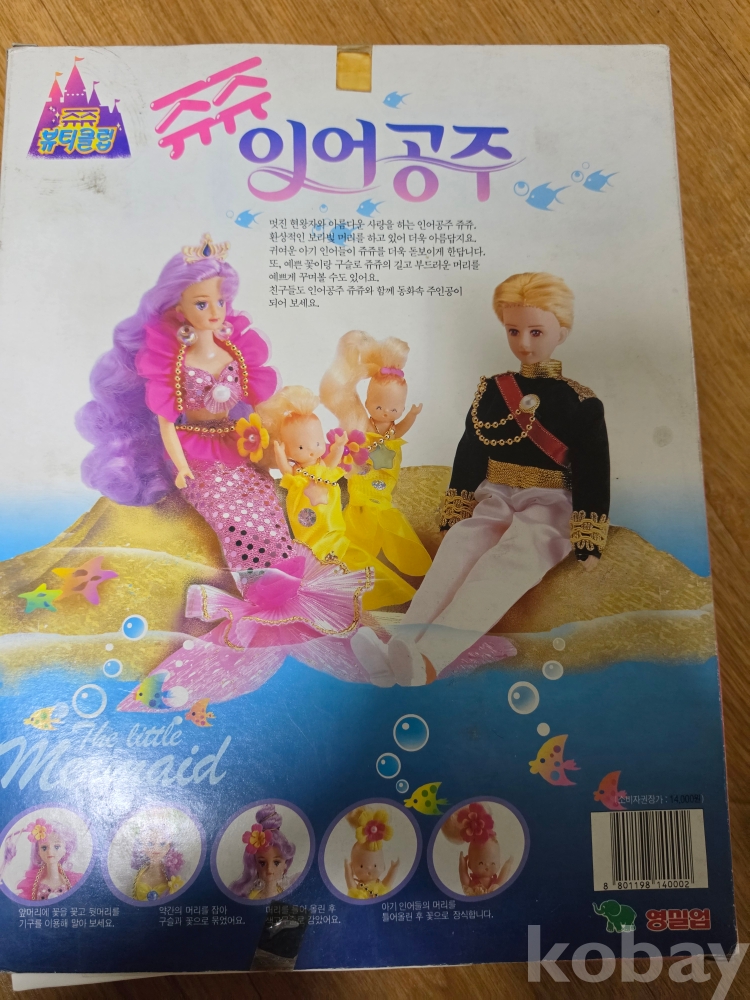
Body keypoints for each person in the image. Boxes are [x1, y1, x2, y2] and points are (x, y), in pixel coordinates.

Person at [352, 271, 610, 686]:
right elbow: (471, 449)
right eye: (513, 330)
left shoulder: (581, 402)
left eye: (537, 331)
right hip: (497, 494)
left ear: (561, 333)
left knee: (508, 563)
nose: (524, 343)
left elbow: (594, 467)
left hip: (550, 503)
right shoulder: (493, 390)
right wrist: (457, 507)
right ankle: (398, 648)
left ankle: (430, 659)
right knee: (459, 547)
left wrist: (588, 536)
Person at [319, 330, 432, 584]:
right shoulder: (364, 426)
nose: (386, 412)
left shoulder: (392, 429)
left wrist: (411, 416)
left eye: (394, 409)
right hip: (364, 473)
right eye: (378, 406)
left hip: (386, 474)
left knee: (383, 507)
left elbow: (401, 430)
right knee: (362, 511)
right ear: (367, 403)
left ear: (401, 408)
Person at [229, 805, 297, 900]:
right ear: (254, 864)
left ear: (285, 863)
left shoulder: (288, 893)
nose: (269, 869)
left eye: (276, 862)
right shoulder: (249, 897)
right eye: (262, 863)